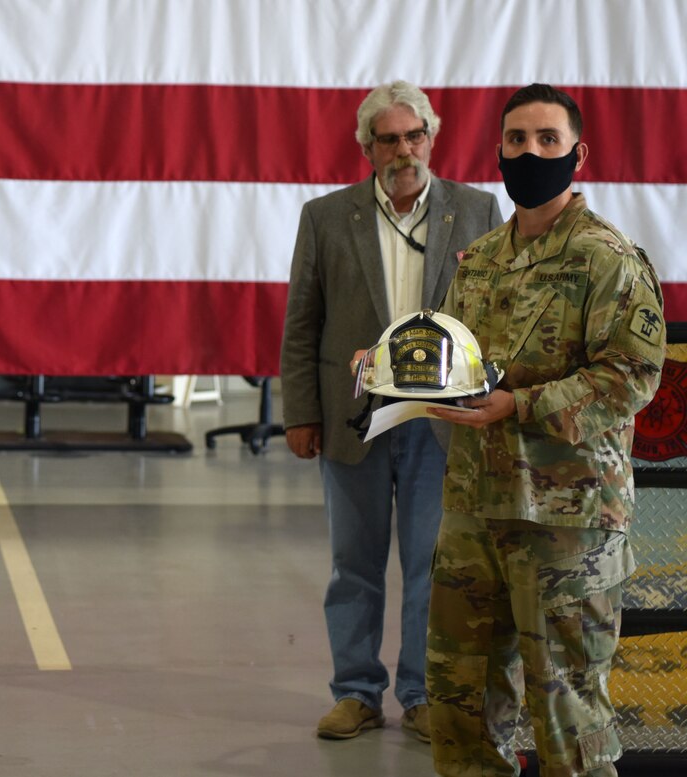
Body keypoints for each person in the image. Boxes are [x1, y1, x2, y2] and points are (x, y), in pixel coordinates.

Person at [426, 84, 665, 776]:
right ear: (497, 151)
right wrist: (389, 368)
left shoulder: (606, 259)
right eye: (517, 140)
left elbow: (630, 377)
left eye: (547, 140)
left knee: (566, 717)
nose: (530, 152)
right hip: (474, 507)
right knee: (459, 703)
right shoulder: (480, 260)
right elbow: (453, 358)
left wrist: (522, 405)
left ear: (577, 154)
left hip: (568, 520)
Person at [280, 81, 502, 742]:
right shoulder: (325, 216)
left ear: (432, 138)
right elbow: (302, 325)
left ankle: (424, 692)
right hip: (355, 420)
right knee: (355, 562)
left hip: (443, 424)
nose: (403, 150)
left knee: (434, 563)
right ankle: (356, 691)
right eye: (388, 139)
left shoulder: (478, 210)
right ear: (367, 147)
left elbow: (495, 316)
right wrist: (300, 411)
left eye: (414, 136)